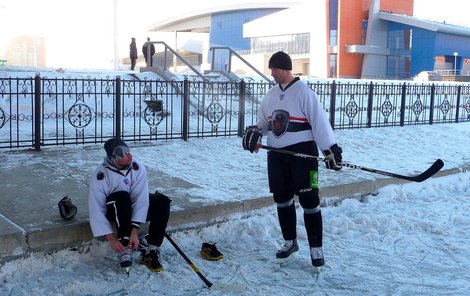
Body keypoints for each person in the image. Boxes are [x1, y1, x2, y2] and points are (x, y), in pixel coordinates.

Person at [242, 51, 343, 268]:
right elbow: (264, 121)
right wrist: (256, 131)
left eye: (275, 69)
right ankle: (290, 242)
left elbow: (319, 122)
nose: (272, 74)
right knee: (282, 199)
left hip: (303, 154)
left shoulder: (304, 92)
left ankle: (316, 248)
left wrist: (329, 149)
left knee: (309, 200)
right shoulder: (269, 95)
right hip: (277, 156)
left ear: (286, 68)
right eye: (271, 70)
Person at [88, 137, 171, 272]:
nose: (130, 155)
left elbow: (141, 199)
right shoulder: (101, 175)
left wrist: (135, 231)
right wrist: (111, 238)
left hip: (133, 208)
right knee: (122, 196)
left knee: (162, 201)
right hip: (115, 210)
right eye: (124, 154)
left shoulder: (138, 168)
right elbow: (96, 208)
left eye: (129, 151)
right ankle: (125, 246)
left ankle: (152, 250)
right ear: (114, 158)